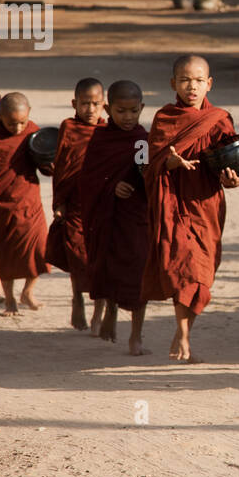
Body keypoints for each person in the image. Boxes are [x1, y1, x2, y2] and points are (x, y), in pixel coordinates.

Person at [141, 55, 239, 363]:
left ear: (209, 84)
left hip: (205, 204)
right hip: (173, 203)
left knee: (202, 274)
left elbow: (233, 158)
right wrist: (169, 162)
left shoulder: (219, 119)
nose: (192, 87)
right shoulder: (164, 118)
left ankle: (184, 329)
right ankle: (183, 333)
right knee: (182, 268)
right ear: (173, 83)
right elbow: (149, 167)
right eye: (185, 80)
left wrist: (235, 180)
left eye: (199, 81)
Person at [79, 80, 152, 356]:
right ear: (108, 109)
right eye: (121, 111)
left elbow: (150, 176)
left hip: (135, 217)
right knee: (108, 267)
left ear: (142, 108)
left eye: (134, 111)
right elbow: (88, 179)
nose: (128, 117)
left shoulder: (143, 140)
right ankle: (109, 309)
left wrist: (142, 181)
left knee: (137, 273)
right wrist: (112, 187)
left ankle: (136, 335)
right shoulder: (101, 139)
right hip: (108, 218)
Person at [0, 92, 50, 316]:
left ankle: (28, 292)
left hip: (29, 199)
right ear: (1, 117)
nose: (17, 128)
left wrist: (50, 164)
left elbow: (42, 160)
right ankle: (9, 299)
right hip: (3, 205)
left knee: (39, 249)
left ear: (29, 116)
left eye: (22, 122)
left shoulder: (32, 132)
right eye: (11, 123)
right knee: (6, 254)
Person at [47, 77, 106, 332]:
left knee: (101, 259)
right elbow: (62, 166)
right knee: (78, 257)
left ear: (104, 104)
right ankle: (78, 298)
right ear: (74, 103)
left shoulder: (109, 131)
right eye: (84, 104)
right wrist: (59, 202)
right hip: (76, 205)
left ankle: (99, 311)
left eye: (95, 104)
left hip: (103, 206)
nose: (90, 110)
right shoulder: (68, 128)